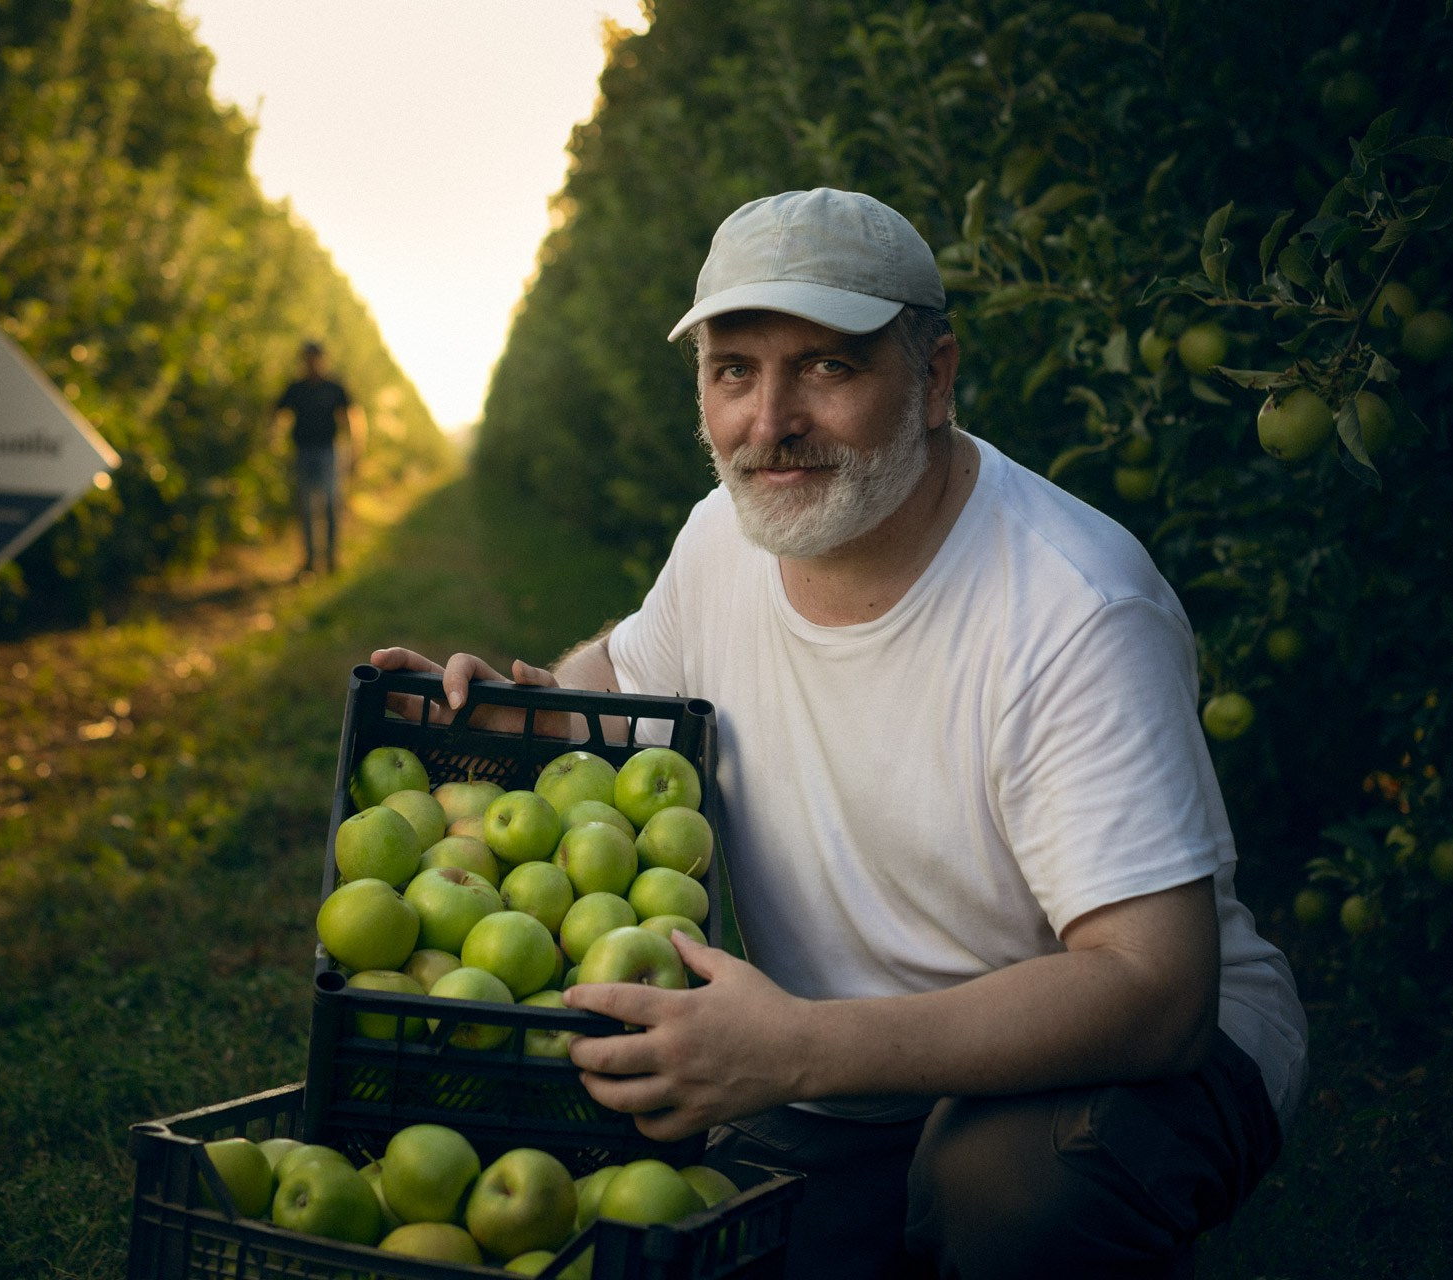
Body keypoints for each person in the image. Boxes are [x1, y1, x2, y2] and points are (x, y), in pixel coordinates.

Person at [371, 188, 1305, 1278]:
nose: (769, 423)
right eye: (735, 370)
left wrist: (799, 1047)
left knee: (1012, 1193)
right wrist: (519, 706)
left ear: (936, 378)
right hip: (852, 1068)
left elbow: (1156, 991)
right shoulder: (726, 534)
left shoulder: (1072, 607)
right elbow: (621, 680)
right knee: (694, 1242)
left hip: (1107, 1053)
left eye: (828, 365)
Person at [272, 340, 360, 577]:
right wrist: (273, 441)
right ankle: (310, 561)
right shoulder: (296, 388)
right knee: (307, 508)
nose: (310, 363)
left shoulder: (334, 387)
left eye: (314, 358)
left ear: (322, 359)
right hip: (303, 452)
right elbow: (277, 413)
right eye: (307, 359)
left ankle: (331, 558)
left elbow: (351, 418)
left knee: (331, 505)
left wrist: (355, 449)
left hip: (329, 452)